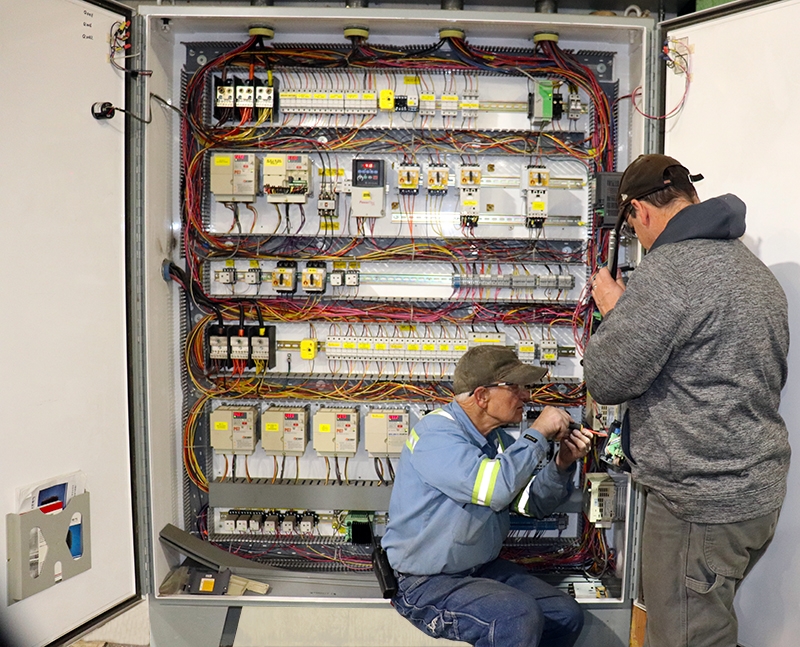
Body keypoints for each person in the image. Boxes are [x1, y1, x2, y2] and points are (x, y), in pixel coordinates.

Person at [584, 154, 790, 647]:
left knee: (684, 639)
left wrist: (617, 310)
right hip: (753, 497)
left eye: (632, 229)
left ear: (640, 213)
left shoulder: (669, 273)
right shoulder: (753, 271)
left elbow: (608, 379)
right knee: (705, 628)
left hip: (698, 507)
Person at [382, 344, 591, 647]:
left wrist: (562, 463)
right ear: (482, 396)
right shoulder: (436, 436)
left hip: (478, 570)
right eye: (516, 387)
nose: (526, 396)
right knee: (515, 615)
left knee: (564, 615)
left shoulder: (496, 441)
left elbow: (530, 503)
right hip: (425, 582)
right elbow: (495, 489)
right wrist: (538, 432)